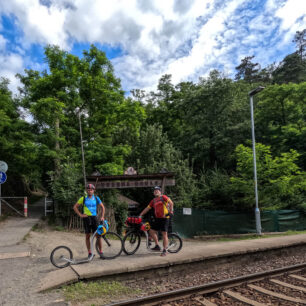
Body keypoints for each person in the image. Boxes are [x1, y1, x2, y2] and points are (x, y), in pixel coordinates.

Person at [139, 186, 174, 257]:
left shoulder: (163, 197)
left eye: (157, 190)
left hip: (165, 218)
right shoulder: (153, 200)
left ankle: (164, 250)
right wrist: (141, 214)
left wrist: (170, 212)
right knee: (151, 231)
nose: (156, 191)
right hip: (158, 218)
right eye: (155, 191)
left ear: (160, 191)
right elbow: (147, 208)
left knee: (164, 233)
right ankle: (157, 245)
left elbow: (171, 203)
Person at [73, 183, 105, 258]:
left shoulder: (96, 198)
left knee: (98, 235)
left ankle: (101, 252)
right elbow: (75, 207)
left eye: (91, 190)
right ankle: (90, 253)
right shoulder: (83, 198)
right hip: (86, 219)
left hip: (94, 218)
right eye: (88, 190)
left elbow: (103, 207)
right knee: (87, 236)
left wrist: (102, 216)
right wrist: (80, 215)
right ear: (86, 191)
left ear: (94, 190)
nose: (90, 191)